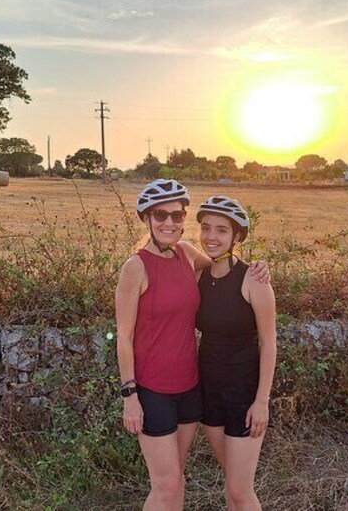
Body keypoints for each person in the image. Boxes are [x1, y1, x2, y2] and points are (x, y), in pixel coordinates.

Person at [115, 180, 268, 511]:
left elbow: (221, 266)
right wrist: (130, 395)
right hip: (153, 388)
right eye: (160, 215)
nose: (169, 222)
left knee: (177, 478)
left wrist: (257, 266)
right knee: (166, 485)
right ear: (145, 219)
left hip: (190, 387)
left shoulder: (186, 254)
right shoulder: (135, 267)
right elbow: (123, 336)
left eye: (177, 215)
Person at [195, 195, 277, 511]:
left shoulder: (253, 280)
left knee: (241, 491)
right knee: (231, 483)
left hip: (244, 396)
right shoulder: (198, 274)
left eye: (222, 230)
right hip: (209, 392)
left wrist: (261, 402)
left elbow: (269, 343)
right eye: (206, 228)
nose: (211, 237)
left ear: (236, 236)